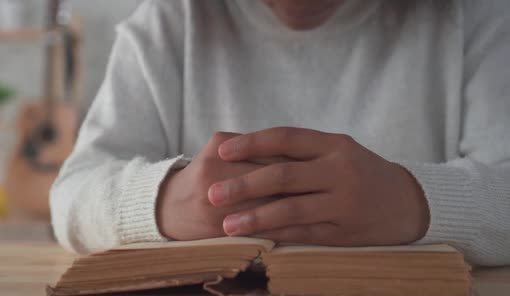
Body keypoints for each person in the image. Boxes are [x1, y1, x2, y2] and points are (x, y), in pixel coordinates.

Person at [50, 0, 510, 266]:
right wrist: (165, 201)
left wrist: (417, 201)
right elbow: (72, 193)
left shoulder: (475, 17)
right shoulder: (171, 19)